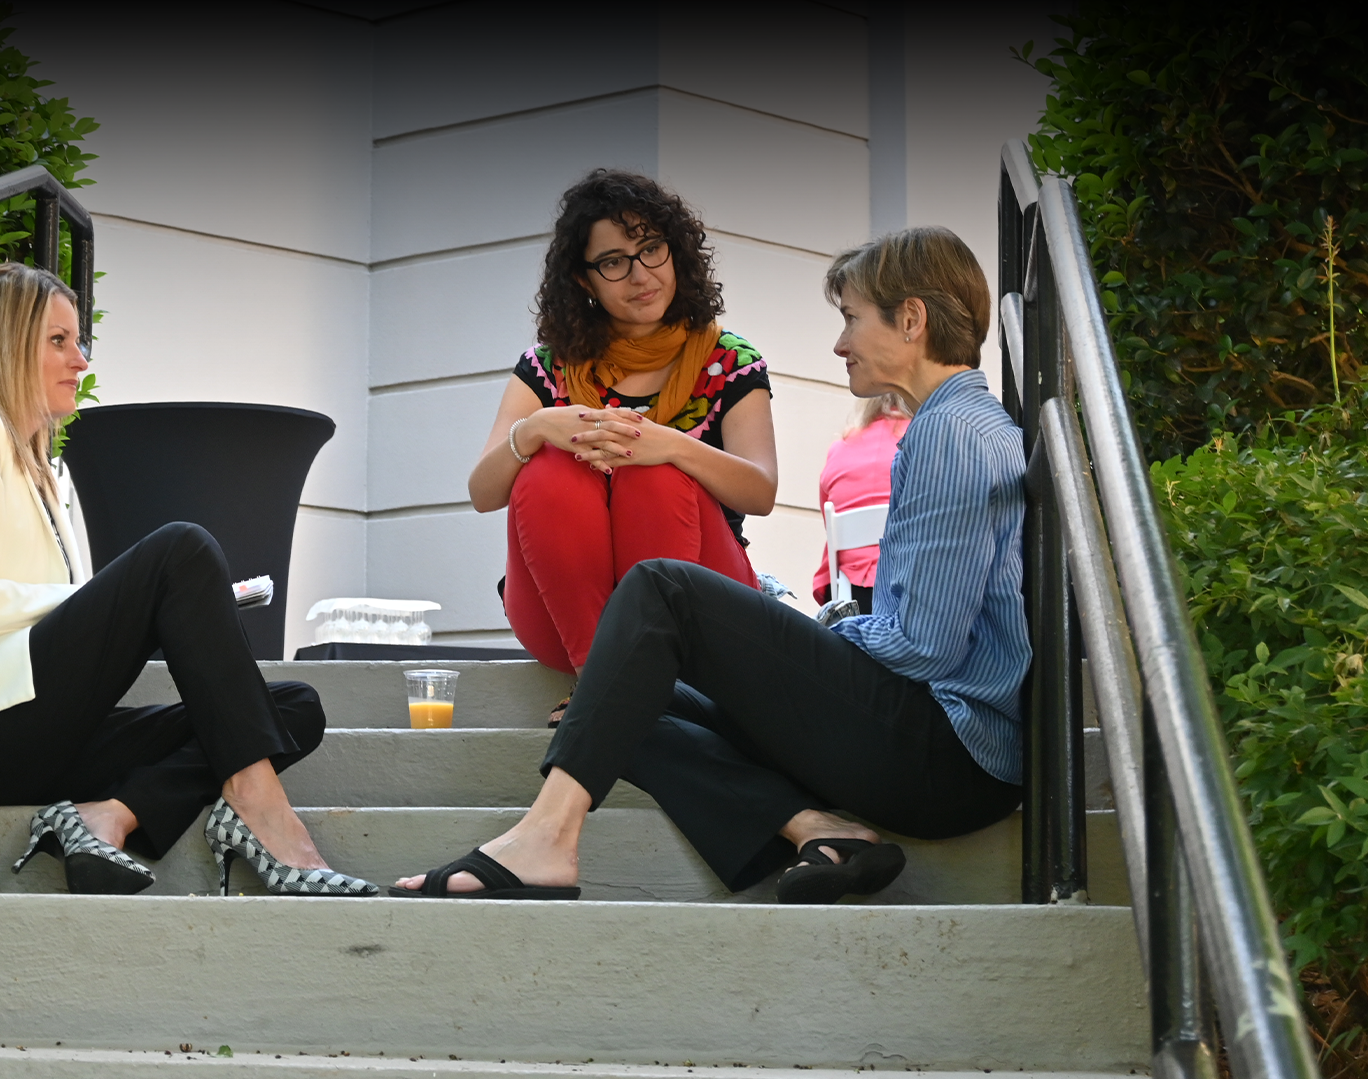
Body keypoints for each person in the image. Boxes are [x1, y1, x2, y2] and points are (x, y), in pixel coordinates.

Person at [395, 226, 1028, 904]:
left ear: (911, 320)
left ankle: (547, 836)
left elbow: (921, 647)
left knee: (659, 587)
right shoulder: (961, 426)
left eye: (850, 319)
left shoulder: (950, 436)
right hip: (928, 748)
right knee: (617, 700)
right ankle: (821, 831)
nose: (839, 344)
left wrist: (816, 639)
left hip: (947, 758)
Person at [0, 262, 375, 897]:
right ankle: (263, 814)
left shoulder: (45, 471)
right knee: (181, 549)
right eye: (57, 341)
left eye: (79, 342)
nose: (79, 360)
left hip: (30, 731)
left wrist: (176, 611)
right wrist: (116, 599)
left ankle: (111, 816)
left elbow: (53, 626)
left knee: (294, 708)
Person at [468, 170, 778, 718]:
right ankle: (604, 679)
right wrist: (536, 428)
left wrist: (671, 446)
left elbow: (760, 492)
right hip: (564, 613)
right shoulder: (546, 366)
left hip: (701, 604)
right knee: (547, 467)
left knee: (652, 470)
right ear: (585, 281)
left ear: (675, 252)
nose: (641, 275)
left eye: (651, 249)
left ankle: (633, 678)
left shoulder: (730, 360)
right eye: (614, 261)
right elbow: (483, 493)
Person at [811, 392, 913, 614]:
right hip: (909, 591)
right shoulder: (925, 442)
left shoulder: (840, 447)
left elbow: (830, 524)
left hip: (849, 596)